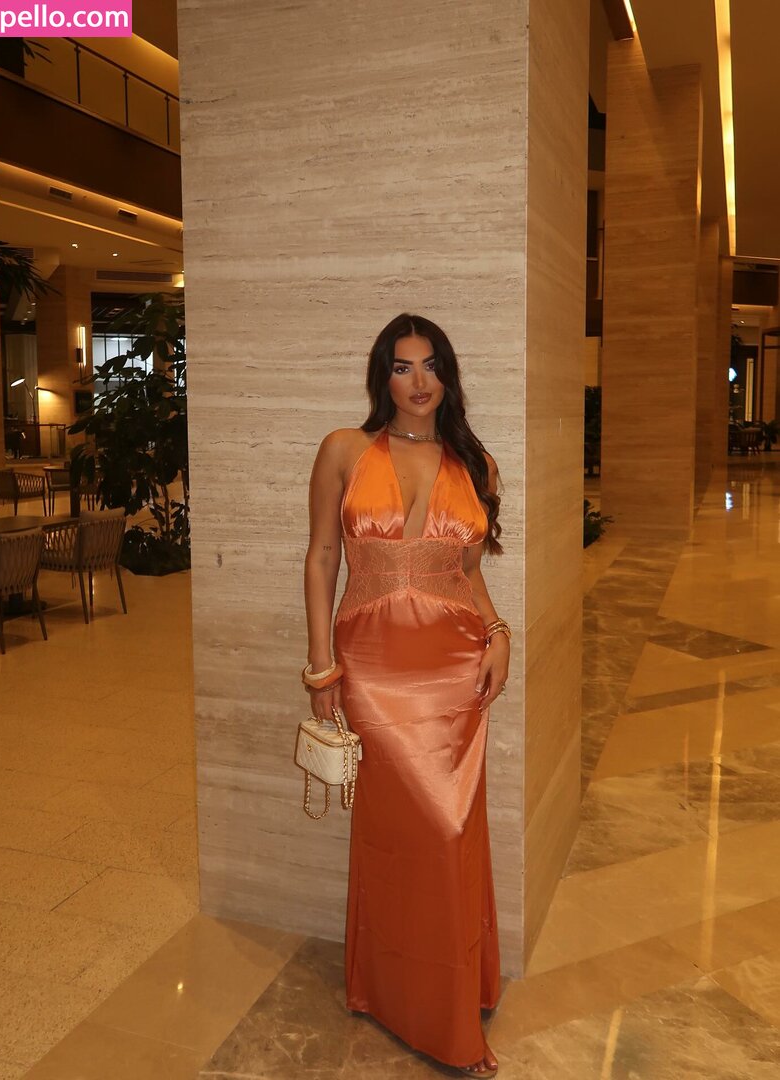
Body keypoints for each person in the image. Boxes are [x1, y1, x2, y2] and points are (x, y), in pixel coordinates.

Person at [303, 313, 510, 1078]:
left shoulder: (475, 463)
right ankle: (392, 990)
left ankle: (447, 1002)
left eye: (430, 365)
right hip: (374, 667)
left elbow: (467, 573)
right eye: (401, 367)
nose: (419, 381)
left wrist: (499, 632)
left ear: (448, 375)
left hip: (456, 667)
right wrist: (322, 669)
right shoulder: (344, 450)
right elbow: (323, 557)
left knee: (451, 834)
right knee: (399, 835)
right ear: (381, 378)